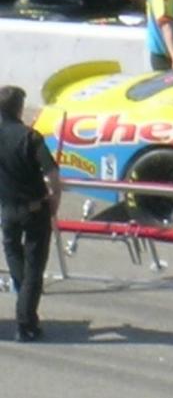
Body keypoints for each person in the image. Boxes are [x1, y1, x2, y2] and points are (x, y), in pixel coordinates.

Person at [0, 85, 61, 342]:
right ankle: (26, 323)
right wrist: (54, 202)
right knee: (34, 267)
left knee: (16, 259)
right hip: (34, 210)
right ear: (19, 108)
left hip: (7, 210)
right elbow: (52, 175)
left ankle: (25, 301)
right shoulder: (30, 137)